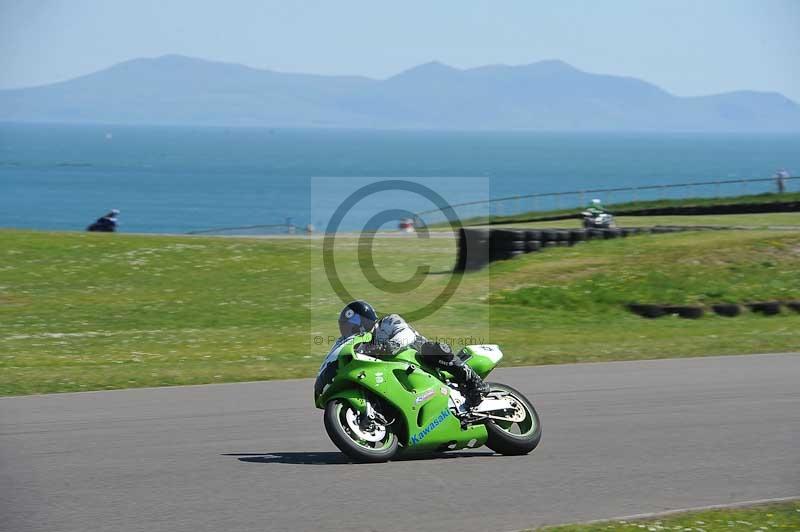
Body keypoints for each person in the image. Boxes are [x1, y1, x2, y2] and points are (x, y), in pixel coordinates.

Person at [337, 300, 490, 405]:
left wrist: (386, 347)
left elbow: (406, 335)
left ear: (364, 320)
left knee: (432, 348)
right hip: (393, 374)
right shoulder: (358, 344)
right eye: (346, 328)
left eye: (352, 325)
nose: (350, 331)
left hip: (420, 360)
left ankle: (474, 383)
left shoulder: (387, 322)